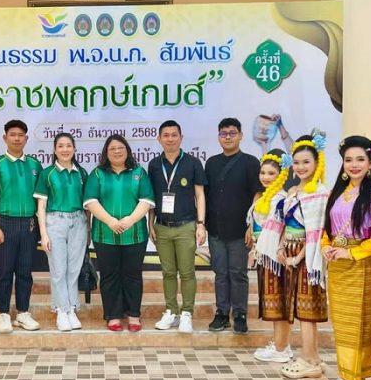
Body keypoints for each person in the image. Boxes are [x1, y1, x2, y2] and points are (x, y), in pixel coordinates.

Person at [320, 136, 371, 380]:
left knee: (359, 322)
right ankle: (346, 373)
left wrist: (352, 253)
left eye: (360, 159)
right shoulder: (338, 193)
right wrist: (325, 246)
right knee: (342, 322)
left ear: (370, 163)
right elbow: (327, 229)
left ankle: (358, 378)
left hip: (361, 266)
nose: (354, 164)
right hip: (337, 265)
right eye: (348, 160)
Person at [83, 135, 155, 331]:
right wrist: (110, 221)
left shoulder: (139, 172)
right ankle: (113, 315)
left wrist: (130, 220)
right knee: (109, 275)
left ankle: (133, 315)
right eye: (112, 148)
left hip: (135, 235)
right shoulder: (97, 174)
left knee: (133, 275)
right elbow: (90, 201)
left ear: (127, 151)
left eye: (121, 148)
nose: (117, 151)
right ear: (106, 153)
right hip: (104, 235)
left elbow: (147, 200)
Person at [0, 119, 43, 334]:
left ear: (26, 138)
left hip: (29, 225)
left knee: (25, 271)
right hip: (4, 223)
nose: (17, 138)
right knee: (4, 272)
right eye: (13, 134)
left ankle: (23, 313)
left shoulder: (34, 165)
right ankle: (4, 314)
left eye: (21, 135)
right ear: (5, 137)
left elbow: (41, 199)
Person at [276, 134, 330, 379]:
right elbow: (284, 224)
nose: (300, 167)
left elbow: (315, 232)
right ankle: (313, 357)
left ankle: (309, 359)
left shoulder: (320, 192)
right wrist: (280, 247)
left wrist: (297, 258)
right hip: (289, 254)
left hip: (307, 258)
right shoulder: (293, 190)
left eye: (306, 162)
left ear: (317, 162)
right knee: (299, 308)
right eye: (296, 162)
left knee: (308, 311)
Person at [148, 120, 206, 334]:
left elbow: (200, 195)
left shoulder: (192, 162)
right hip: (162, 227)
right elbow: (151, 198)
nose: (170, 139)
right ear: (159, 139)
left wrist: (201, 224)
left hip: (186, 225)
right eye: (166, 135)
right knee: (168, 272)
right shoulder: (154, 165)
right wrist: (150, 223)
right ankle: (171, 311)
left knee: (187, 272)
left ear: (181, 137)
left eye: (174, 135)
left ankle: (187, 313)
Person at [204, 118, 262, 333]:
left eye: (232, 133)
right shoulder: (211, 163)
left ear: (241, 136)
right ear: (218, 137)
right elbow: (205, 195)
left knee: (238, 273)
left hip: (240, 230)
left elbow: (258, 193)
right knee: (220, 273)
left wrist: (252, 225)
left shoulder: (250, 162)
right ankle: (221, 313)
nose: (228, 137)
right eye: (223, 134)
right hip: (216, 229)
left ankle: (239, 314)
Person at [34, 133, 89, 332]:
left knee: (73, 269)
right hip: (55, 222)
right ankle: (61, 310)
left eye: (68, 146)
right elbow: (41, 206)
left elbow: (88, 205)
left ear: (74, 149)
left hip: (79, 222)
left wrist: (88, 229)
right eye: (60, 146)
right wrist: (43, 234)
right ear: (55, 149)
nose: (65, 149)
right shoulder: (47, 173)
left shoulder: (81, 173)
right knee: (58, 269)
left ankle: (72, 308)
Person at [250, 149, 292, 363]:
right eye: (263, 173)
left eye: (271, 173)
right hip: (265, 255)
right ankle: (281, 344)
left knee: (279, 301)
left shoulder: (281, 199)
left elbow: (283, 229)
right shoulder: (266, 197)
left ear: (281, 175)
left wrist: (278, 249)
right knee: (273, 301)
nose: (265, 177)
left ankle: (281, 348)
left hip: (275, 256)